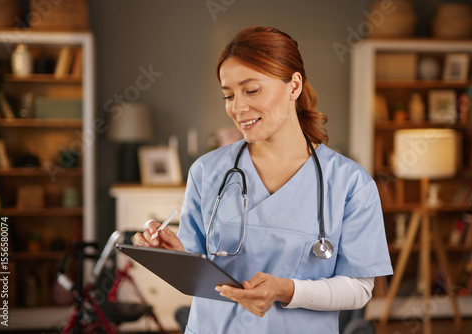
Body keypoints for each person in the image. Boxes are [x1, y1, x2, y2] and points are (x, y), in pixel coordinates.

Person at [134, 26, 393, 333]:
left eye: (252, 90)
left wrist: (286, 290)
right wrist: (172, 256)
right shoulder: (207, 171)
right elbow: (198, 271)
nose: (237, 108)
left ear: (294, 85)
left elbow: (359, 289)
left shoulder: (350, 183)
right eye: (228, 95)